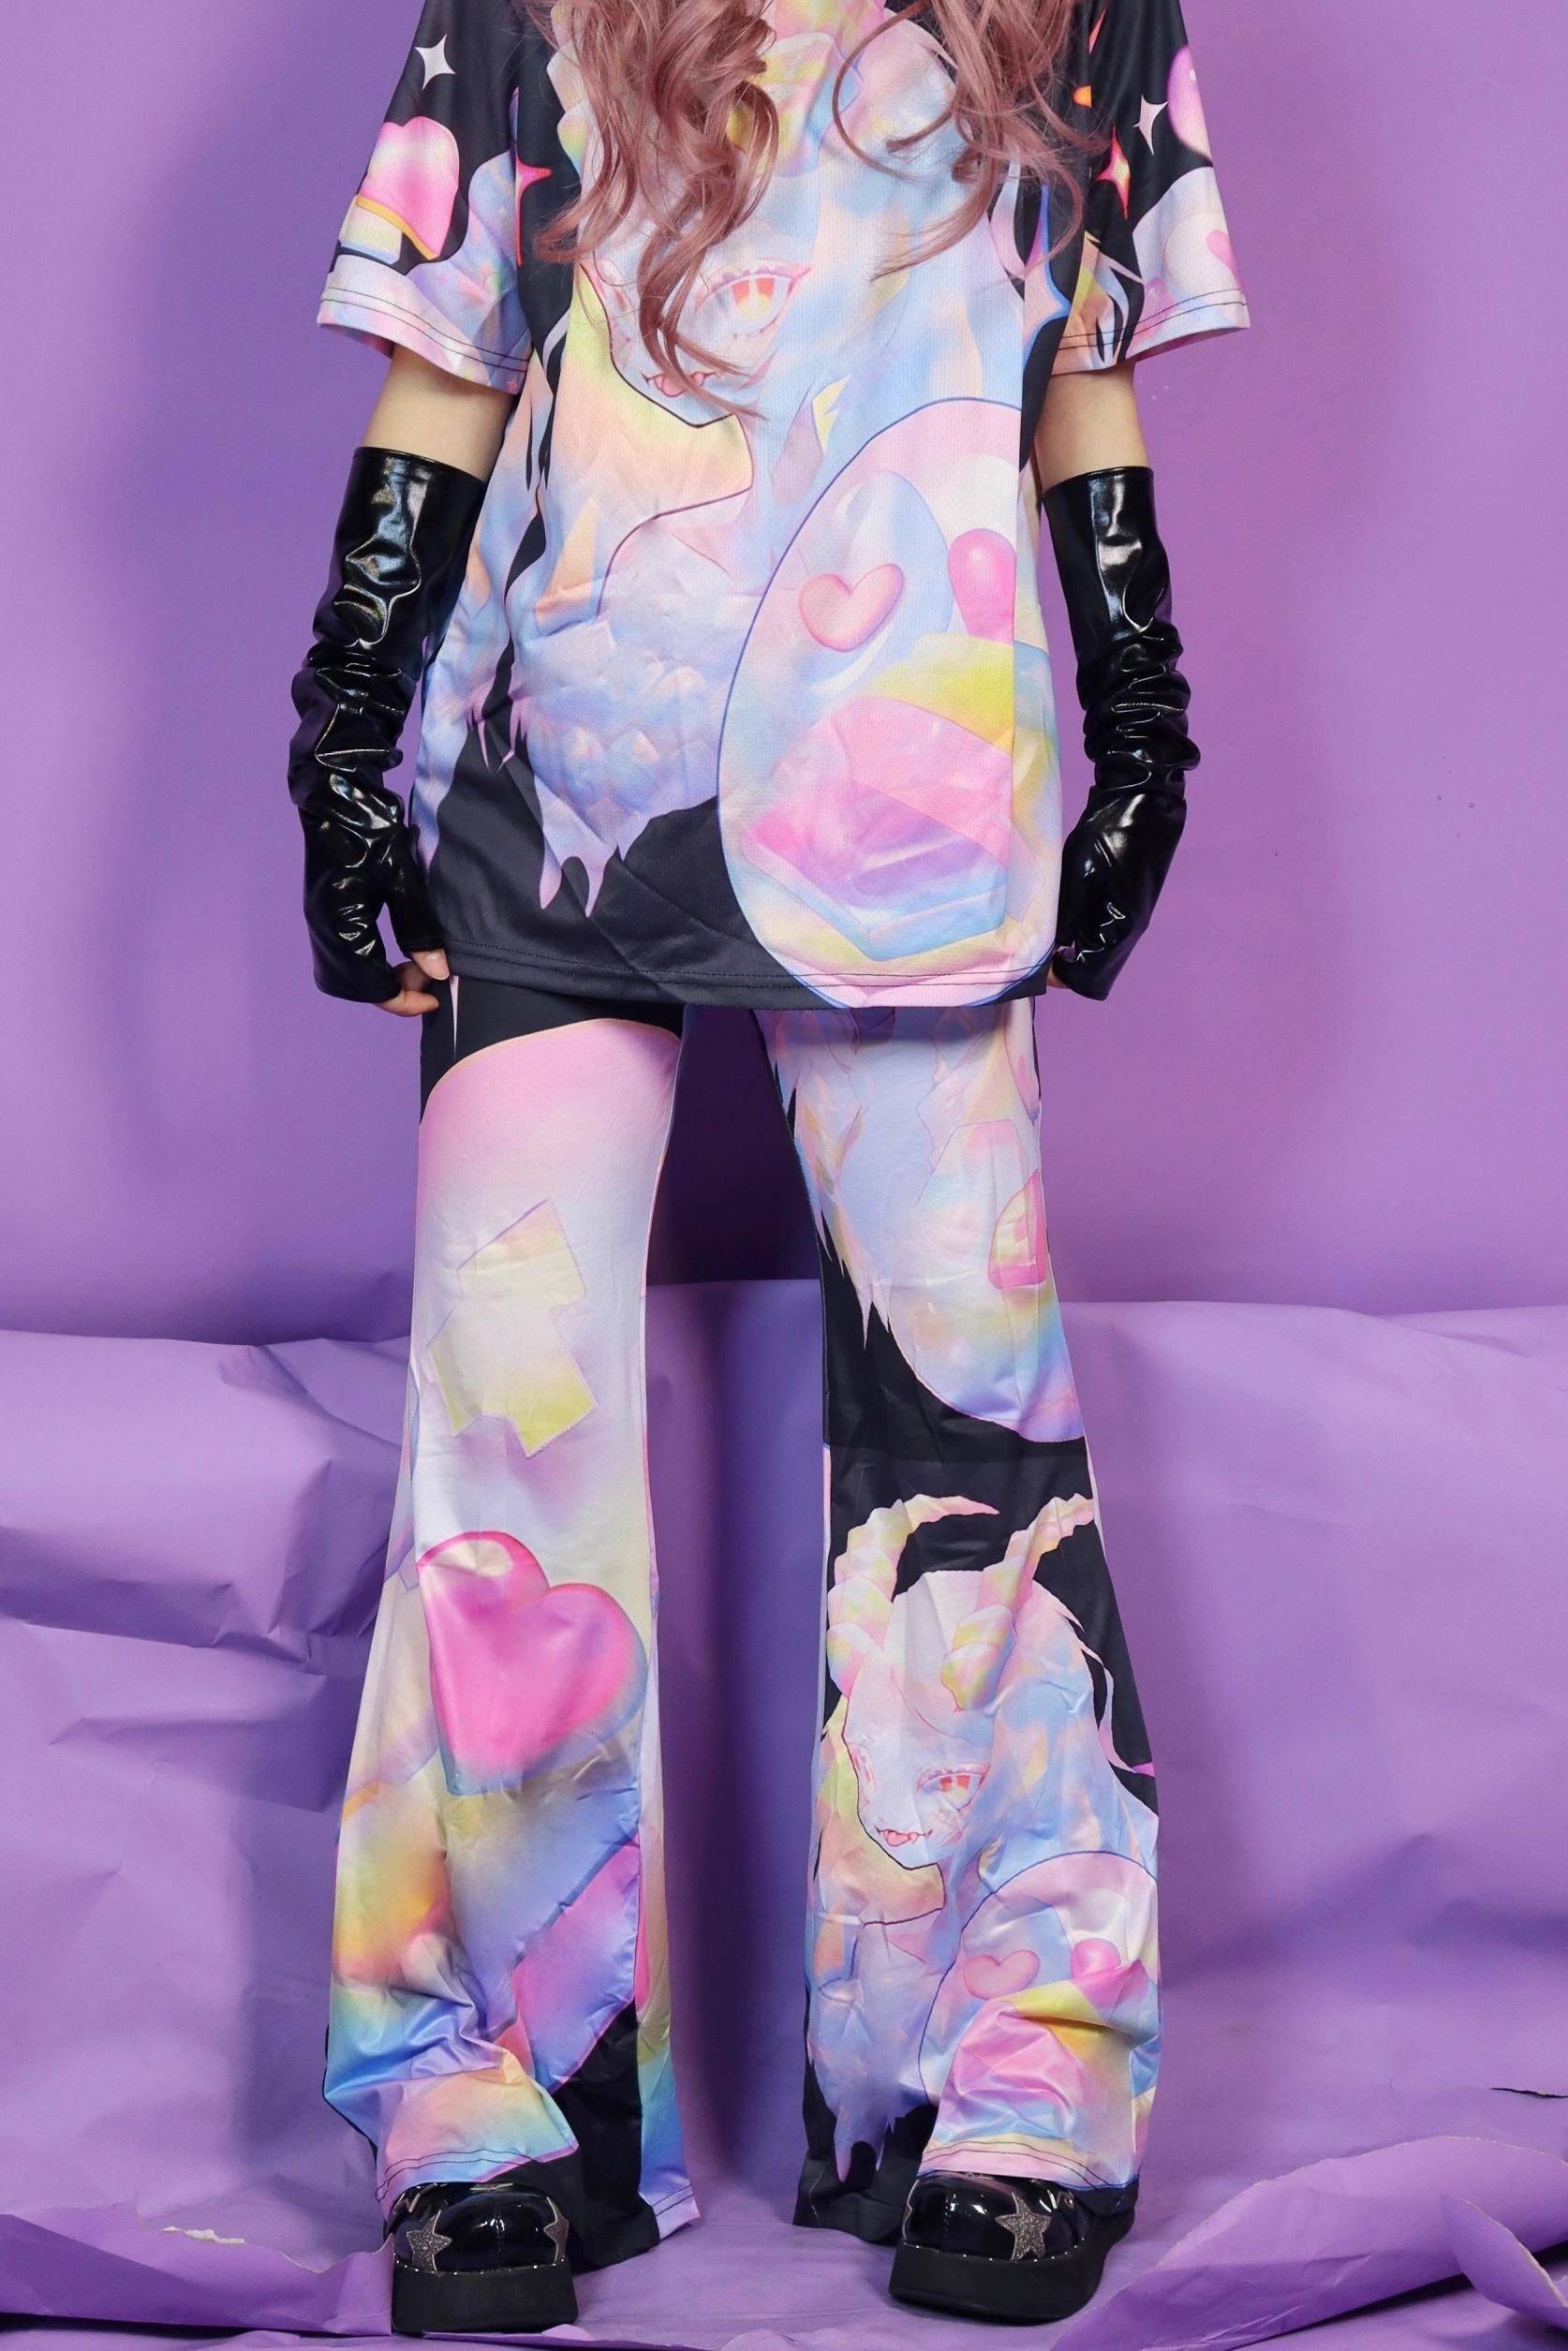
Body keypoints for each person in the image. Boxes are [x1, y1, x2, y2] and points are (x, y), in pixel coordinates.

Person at [288, 0, 1249, 2328]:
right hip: (546, 796)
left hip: (913, 787)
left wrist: (1141, 694)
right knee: (505, 1448)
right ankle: (474, 2096)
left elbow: (1079, 352)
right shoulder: (526, 2)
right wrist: (340, 728)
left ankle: (1017, 2074)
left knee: (972, 1446)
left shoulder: (1087, 9)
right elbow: (451, 353)